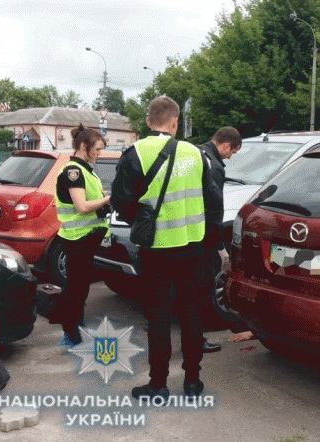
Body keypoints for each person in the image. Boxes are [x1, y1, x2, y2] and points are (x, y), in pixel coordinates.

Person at [111, 96, 221, 400]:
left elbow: (120, 201)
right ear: (175, 122)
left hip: (156, 250)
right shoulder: (197, 154)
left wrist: (142, 218)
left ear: (148, 122)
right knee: (191, 314)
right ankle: (193, 382)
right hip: (193, 248)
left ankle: (158, 383)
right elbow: (213, 200)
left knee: (158, 317)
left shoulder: (135, 154)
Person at [54, 124, 111, 347]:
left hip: (85, 237)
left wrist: (103, 198)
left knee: (79, 287)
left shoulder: (85, 170)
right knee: (76, 288)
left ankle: (74, 327)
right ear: (83, 146)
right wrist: (107, 199)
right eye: (97, 148)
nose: (100, 153)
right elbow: (82, 206)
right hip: (77, 237)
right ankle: (71, 333)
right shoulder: (73, 172)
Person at [198, 126, 242, 353]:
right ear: (226, 145)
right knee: (201, 286)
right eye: (231, 152)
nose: (230, 156)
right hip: (203, 236)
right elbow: (214, 210)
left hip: (185, 232)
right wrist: (220, 248)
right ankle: (197, 339)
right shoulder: (213, 166)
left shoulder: (196, 154)